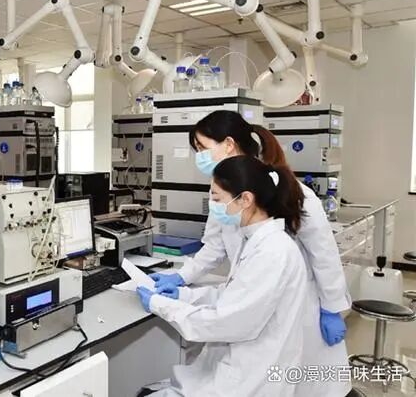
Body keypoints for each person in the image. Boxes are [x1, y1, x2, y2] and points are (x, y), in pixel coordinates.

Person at [151, 110, 351, 396]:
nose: (199, 157)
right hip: (255, 301)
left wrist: (331, 307)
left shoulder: (292, 191)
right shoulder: (226, 190)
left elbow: (324, 255)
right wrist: (181, 277)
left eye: (202, 148)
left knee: (300, 380)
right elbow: (215, 247)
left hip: (297, 304)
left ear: (228, 144)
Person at [136, 156, 309, 396]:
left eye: (217, 199)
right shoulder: (257, 241)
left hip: (252, 380)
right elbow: (233, 296)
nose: (213, 206)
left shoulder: (272, 253)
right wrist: (184, 295)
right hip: (240, 367)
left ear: (245, 199)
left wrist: (160, 305)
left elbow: (225, 321)